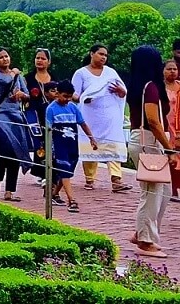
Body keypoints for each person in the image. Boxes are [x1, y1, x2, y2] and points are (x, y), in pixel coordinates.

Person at [126, 46, 177, 258]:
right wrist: (169, 148)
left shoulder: (137, 85)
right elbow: (154, 121)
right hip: (150, 140)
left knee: (163, 191)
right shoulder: (151, 88)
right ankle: (146, 240)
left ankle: (142, 232)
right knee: (152, 192)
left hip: (142, 139)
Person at [72, 44, 131, 193]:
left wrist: (120, 91)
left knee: (113, 145)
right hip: (90, 116)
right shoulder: (81, 73)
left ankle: (116, 179)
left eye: (105, 55)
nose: (103, 57)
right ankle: (90, 179)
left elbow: (123, 92)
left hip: (110, 116)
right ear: (91, 54)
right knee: (91, 144)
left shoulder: (111, 73)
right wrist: (85, 98)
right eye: (100, 54)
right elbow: (74, 94)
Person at [0, 47, 34, 202]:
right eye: (1, 57)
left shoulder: (18, 76)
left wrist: (22, 95)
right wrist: (15, 73)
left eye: (6, 56)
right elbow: (6, 81)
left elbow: (26, 94)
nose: (5, 59)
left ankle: (9, 191)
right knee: (5, 149)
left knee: (16, 151)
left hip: (15, 116)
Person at [46, 81, 97, 213]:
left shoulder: (73, 108)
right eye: (65, 96)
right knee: (64, 169)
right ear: (57, 94)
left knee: (68, 171)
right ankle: (71, 200)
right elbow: (48, 129)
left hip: (72, 145)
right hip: (59, 145)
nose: (67, 99)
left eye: (69, 96)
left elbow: (83, 124)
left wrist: (91, 138)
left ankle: (54, 193)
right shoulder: (51, 109)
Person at [24, 49, 57, 186]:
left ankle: (49, 171)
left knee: (51, 141)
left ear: (49, 62)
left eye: (43, 58)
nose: (39, 61)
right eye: (37, 58)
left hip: (50, 114)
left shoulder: (54, 78)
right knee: (39, 141)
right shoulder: (28, 78)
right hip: (34, 113)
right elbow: (23, 93)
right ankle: (42, 172)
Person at [166, 60, 180, 202]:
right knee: (170, 159)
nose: (172, 71)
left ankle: (176, 190)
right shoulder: (159, 88)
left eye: (175, 69)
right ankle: (171, 190)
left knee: (178, 160)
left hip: (178, 127)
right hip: (165, 127)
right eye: (169, 69)